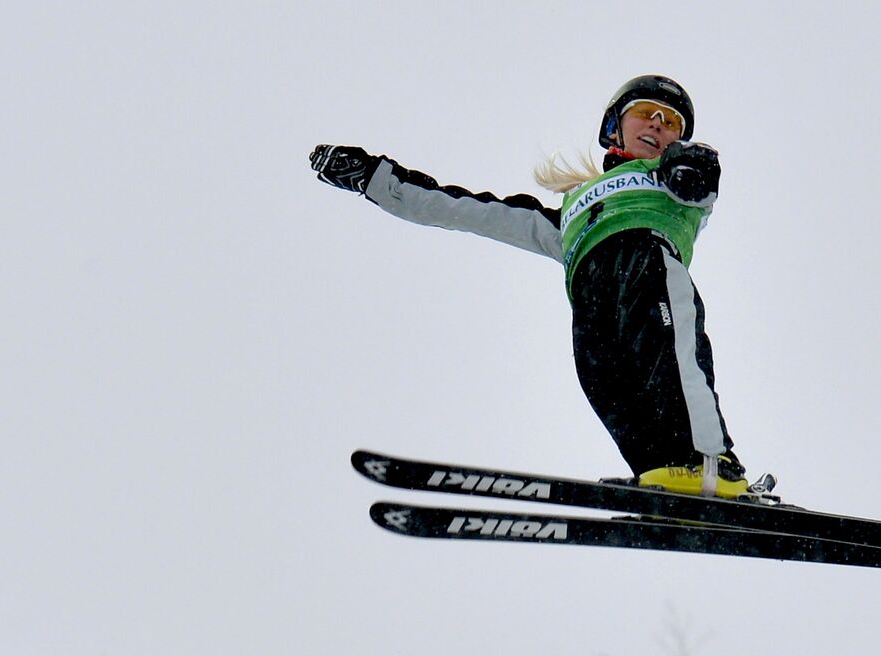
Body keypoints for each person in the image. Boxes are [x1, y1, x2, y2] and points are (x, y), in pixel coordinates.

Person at [310, 74, 766, 499]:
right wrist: (375, 179)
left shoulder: (672, 181)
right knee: (603, 377)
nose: (657, 124)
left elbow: (701, 178)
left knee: (666, 356)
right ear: (615, 127)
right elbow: (470, 210)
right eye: (646, 112)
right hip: (591, 294)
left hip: (647, 263)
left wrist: (690, 165)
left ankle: (712, 462)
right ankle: (661, 469)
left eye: (671, 123)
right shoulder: (573, 213)